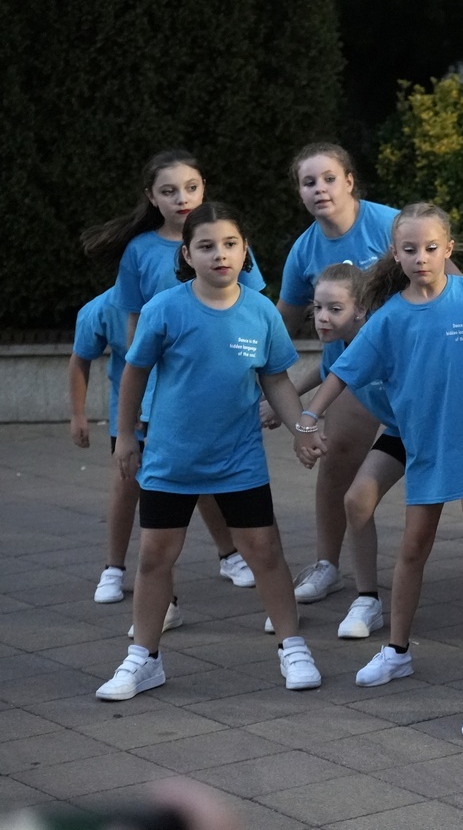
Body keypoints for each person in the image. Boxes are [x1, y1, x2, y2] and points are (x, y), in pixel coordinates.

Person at [294, 204, 463, 688]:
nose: (421, 257)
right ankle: (390, 639)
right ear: (395, 253)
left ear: (448, 249)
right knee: (409, 543)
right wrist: (307, 417)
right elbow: (337, 373)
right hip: (419, 440)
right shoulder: (388, 319)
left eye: (431, 248)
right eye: (409, 249)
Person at [97, 204, 319, 701]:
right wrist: (126, 435)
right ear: (187, 255)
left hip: (239, 459)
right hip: (170, 459)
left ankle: (292, 646)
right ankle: (144, 658)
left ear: (245, 251)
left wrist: (302, 428)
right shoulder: (164, 308)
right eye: (207, 246)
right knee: (155, 555)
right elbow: (134, 373)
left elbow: (276, 379)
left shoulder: (261, 311)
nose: (220, 254)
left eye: (230, 244)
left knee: (264, 551)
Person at [82, 149, 266, 589]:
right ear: (152, 197)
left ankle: (229, 554)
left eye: (190, 187)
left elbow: (252, 312)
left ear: (203, 189)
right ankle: (114, 568)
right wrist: (138, 395)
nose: (181, 198)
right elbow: (133, 325)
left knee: (200, 478)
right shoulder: (139, 250)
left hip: (203, 391)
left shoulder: (228, 242)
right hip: (147, 390)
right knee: (129, 477)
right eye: (168, 191)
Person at [274, 143, 401, 609]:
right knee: (338, 463)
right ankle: (327, 564)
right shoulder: (303, 250)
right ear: (300, 193)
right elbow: (280, 327)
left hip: (412, 369)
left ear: (350, 181)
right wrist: (266, 384)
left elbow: (451, 281)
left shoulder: (390, 225)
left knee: (460, 465)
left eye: (329, 178)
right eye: (309, 182)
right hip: (352, 375)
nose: (320, 189)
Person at [69, 288, 137, 605]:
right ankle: (113, 569)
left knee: (202, 486)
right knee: (125, 482)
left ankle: (229, 554)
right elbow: (80, 359)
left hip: (177, 409)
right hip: (128, 414)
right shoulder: (102, 308)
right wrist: (77, 414)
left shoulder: (179, 299)